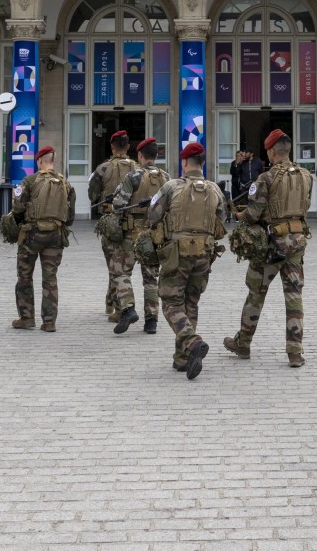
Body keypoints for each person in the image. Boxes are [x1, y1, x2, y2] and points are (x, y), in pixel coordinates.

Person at [224, 129, 312, 368]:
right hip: (297, 241)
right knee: (294, 297)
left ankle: (243, 344)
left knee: (256, 293)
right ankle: (295, 352)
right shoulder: (306, 175)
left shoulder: (266, 178)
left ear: (272, 151)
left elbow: (253, 214)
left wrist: (240, 214)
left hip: (272, 245)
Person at [146, 142, 225, 380]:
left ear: (184, 163)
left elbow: (152, 214)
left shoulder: (171, 187)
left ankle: (191, 342)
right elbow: (221, 221)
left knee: (170, 302)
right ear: (202, 164)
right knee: (191, 302)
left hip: (177, 254)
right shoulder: (215, 190)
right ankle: (182, 358)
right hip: (204, 254)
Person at [11, 146, 76, 333]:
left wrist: (20, 222)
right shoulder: (65, 183)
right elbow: (70, 213)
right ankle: (49, 322)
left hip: (31, 235)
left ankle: (26, 318)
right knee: (50, 278)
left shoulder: (29, 181)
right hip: (55, 235)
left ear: (39, 161)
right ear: (53, 161)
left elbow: (18, 207)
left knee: (24, 277)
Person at [110, 137, 171, 336]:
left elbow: (119, 205)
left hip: (132, 233)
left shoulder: (133, 177)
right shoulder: (167, 178)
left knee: (120, 271)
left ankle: (128, 308)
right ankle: (151, 321)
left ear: (140, 156)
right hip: (155, 234)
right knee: (151, 278)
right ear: (156, 156)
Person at [88, 130, 136, 321]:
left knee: (114, 264)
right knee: (121, 266)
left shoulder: (102, 169)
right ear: (129, 147)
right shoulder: (138, 169)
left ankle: (116, 306)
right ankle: (111, 301)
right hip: (133, 224)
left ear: (112, 147)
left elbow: (92, 195)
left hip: (110, 222)